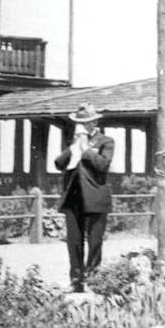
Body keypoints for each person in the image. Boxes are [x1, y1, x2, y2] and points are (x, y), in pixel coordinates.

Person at [54, 103, 114, 294]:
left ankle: (93, 279)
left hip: (95, 199)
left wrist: (86, 149)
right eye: (79, 122)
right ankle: (76, 281)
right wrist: (73, 148)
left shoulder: (106, 141)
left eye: (86, 122)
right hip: (73, 199)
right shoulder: (72, 142)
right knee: (74, 242)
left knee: (95, 242)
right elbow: (59, 163)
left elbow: (102, 165)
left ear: (94, 122)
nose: (82, 126)